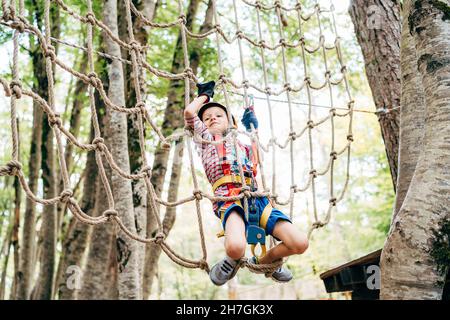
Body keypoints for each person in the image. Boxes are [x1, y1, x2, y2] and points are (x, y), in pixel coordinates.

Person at [184, 81, 309, 286]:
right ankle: (232, 260)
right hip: (229, 199)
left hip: (257, 200)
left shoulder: (243, 146)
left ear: (231, 123)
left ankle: (266, 262)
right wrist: (205, 96)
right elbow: (190, 113)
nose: (212, 118)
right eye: (206, 118)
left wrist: (253, 129)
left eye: (218, 115)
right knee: (235, 247)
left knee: (300, 243)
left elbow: (256, 160)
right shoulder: (206, 141)